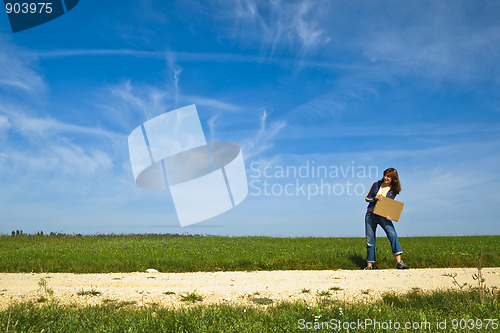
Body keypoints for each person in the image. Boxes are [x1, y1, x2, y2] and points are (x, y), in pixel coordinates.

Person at [364, 168, 408, 269]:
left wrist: (390, 215)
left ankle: (399, 262)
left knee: (392, 234)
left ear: (393, 179)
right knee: (370, 240)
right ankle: (369, 265)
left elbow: (391, 206)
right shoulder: (376, 184)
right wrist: (375, 198)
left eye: (388, 176)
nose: (385, 178)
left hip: (383, 216)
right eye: (385, 175)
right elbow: (367, 198)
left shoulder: (394, 190)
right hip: (370, 215)